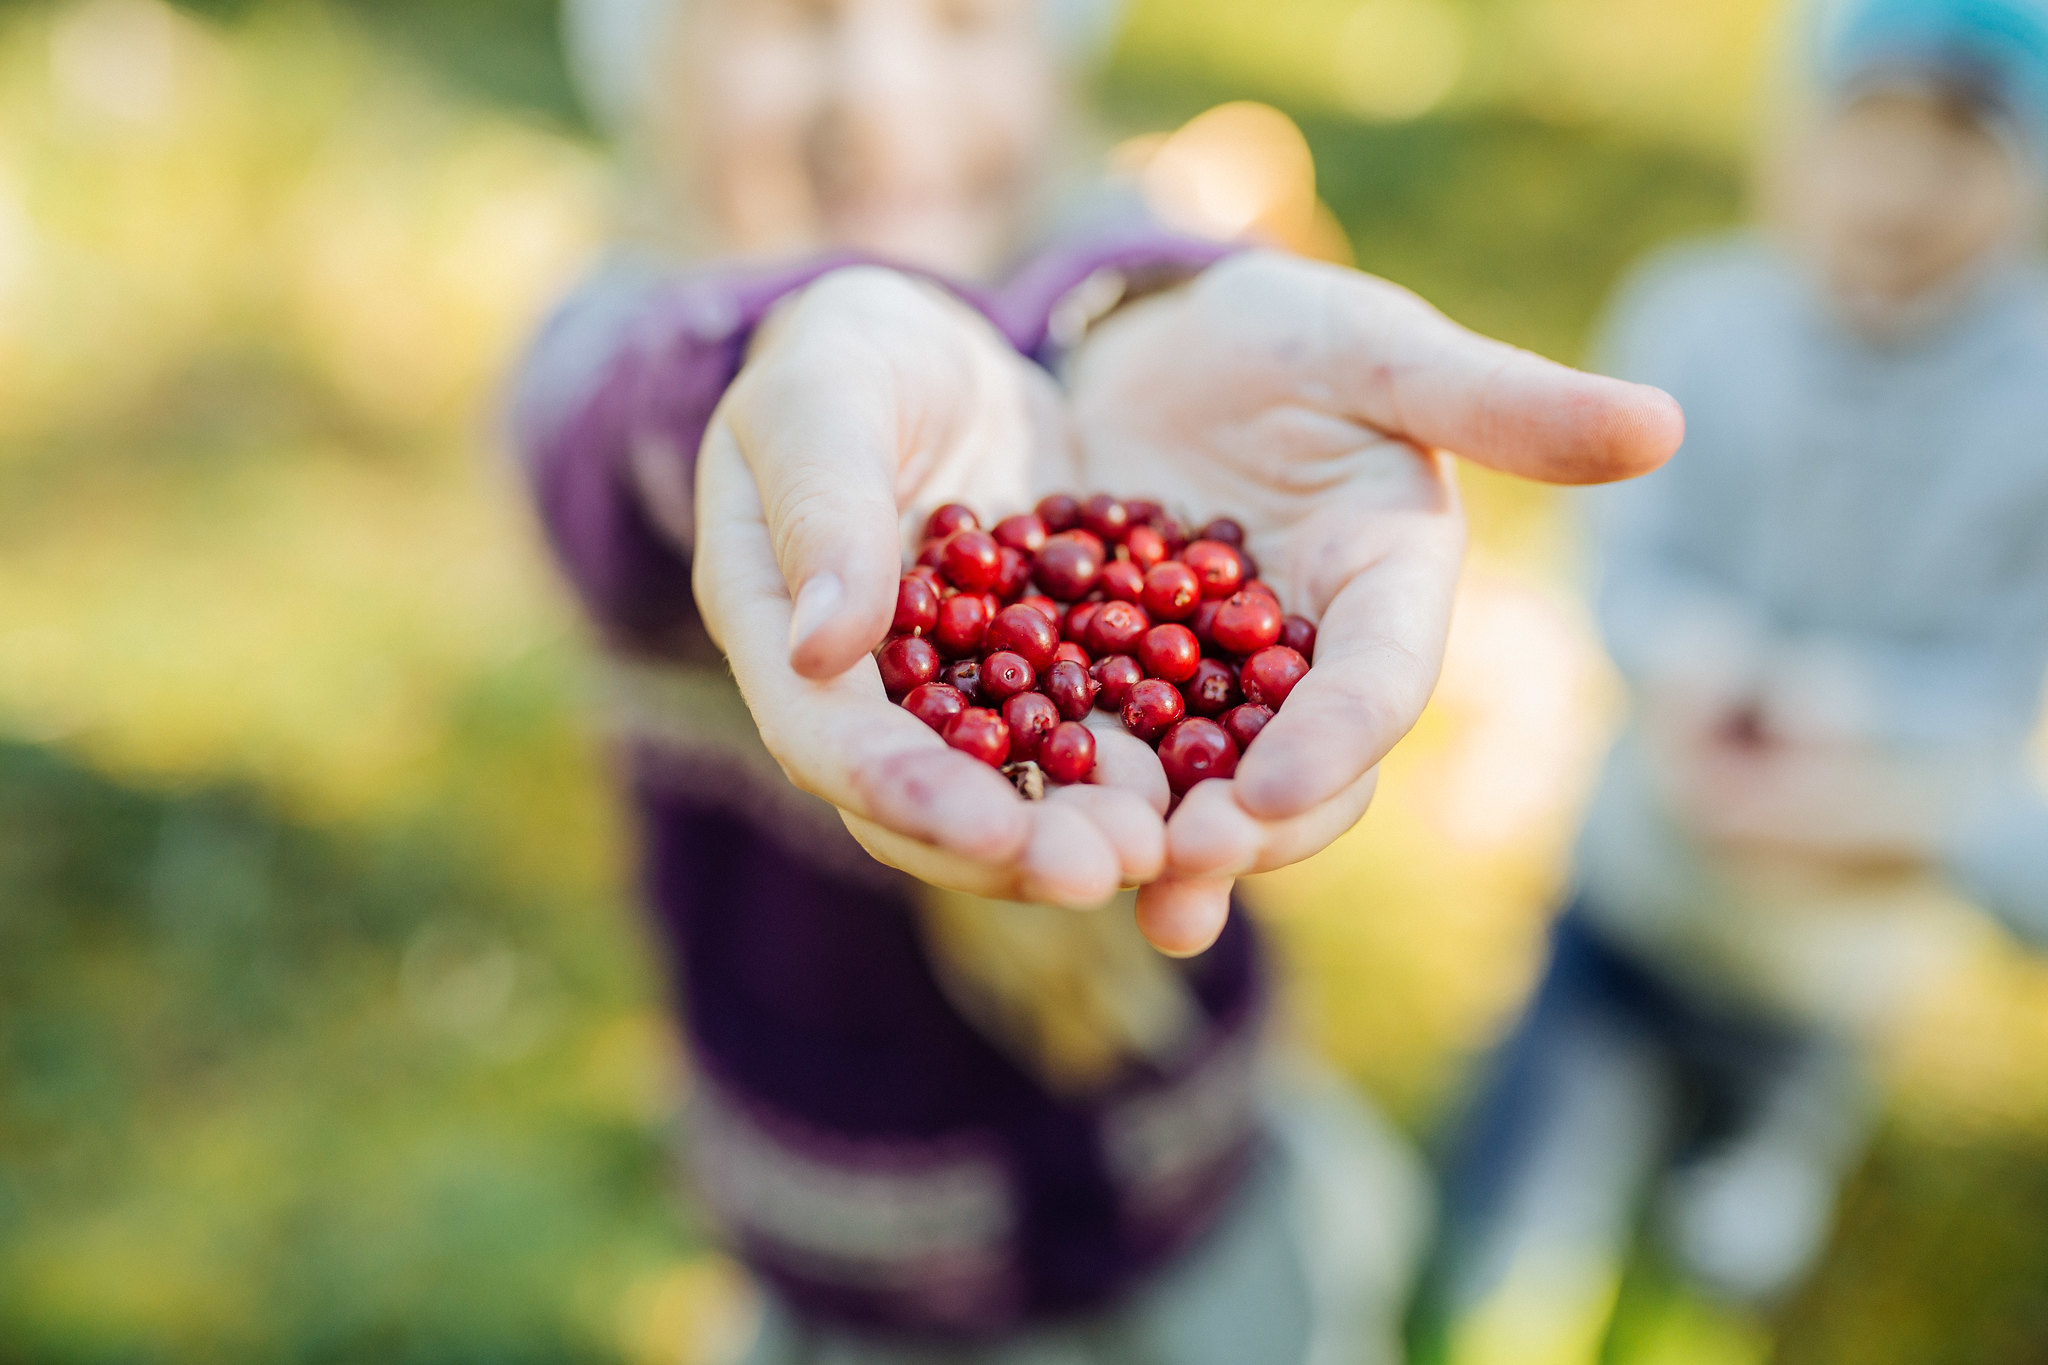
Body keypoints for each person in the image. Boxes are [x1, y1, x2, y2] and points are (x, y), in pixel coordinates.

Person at [518, 0, 1681, 1359]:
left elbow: (1142, 271)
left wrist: (1150, 293)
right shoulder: (620, 359)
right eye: (796, 16)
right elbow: (622, 446)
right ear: (648, 70)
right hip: (858, 1284)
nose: (885, 88)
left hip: (1209, 1197)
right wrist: (787, 363)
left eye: (961, 18)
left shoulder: (1122, 290)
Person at [1427, 1, 2048, 1359]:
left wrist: (1848, 712)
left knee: (1720, 1252)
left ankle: (1700, 1281)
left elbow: (2010, 659)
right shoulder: (1696, 316)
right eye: (1867, 137)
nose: (1900, 192)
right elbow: (1624, 551)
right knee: (1519, 1224)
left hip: (1836, 956)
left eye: (1960, 154)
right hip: (1642, 882)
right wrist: (1693, 660)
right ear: (1796, 140)